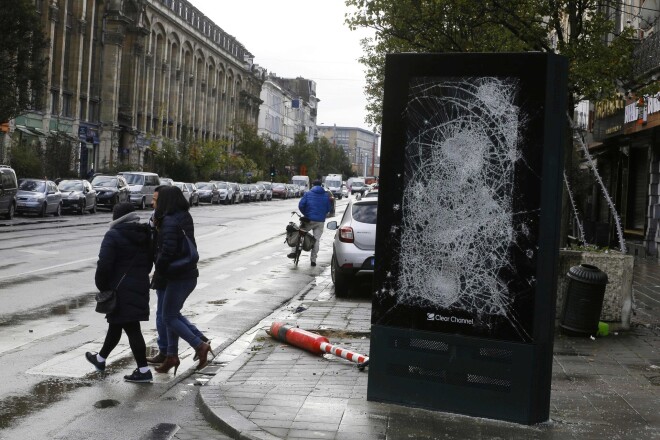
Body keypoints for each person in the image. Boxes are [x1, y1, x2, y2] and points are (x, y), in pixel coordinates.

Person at [85, 202, 154, 383]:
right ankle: (100, 359)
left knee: (131, 328)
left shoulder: (113, 235)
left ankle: (144, 370)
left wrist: (103, 286)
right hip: (138, 286)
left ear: (116, 218)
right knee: (116, 324)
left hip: (119, 289)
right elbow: (149, 263)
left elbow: (104, 265)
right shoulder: (144, 234)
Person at [152, 185, 212, 374]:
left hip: (178, 275)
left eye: (156, 200)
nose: (154, 203)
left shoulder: (169, 221)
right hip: (185, 273)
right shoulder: (182, 216)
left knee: (168, 316)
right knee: (171, 314)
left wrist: (159, 270)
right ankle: (171, 356)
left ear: (165, 201)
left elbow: (168, 251)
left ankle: (199, 345)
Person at [291, 179, 331, 266]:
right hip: (320, 221)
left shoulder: (308, 193)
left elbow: (301, 205)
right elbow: (328, 208)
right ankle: (313, 260)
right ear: (321, 185)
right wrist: (322, 214)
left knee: (300, 232)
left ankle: (294, 251)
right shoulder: (325, 195)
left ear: (313, 185)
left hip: (309, 219)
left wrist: (305, 213)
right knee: (316, 240)